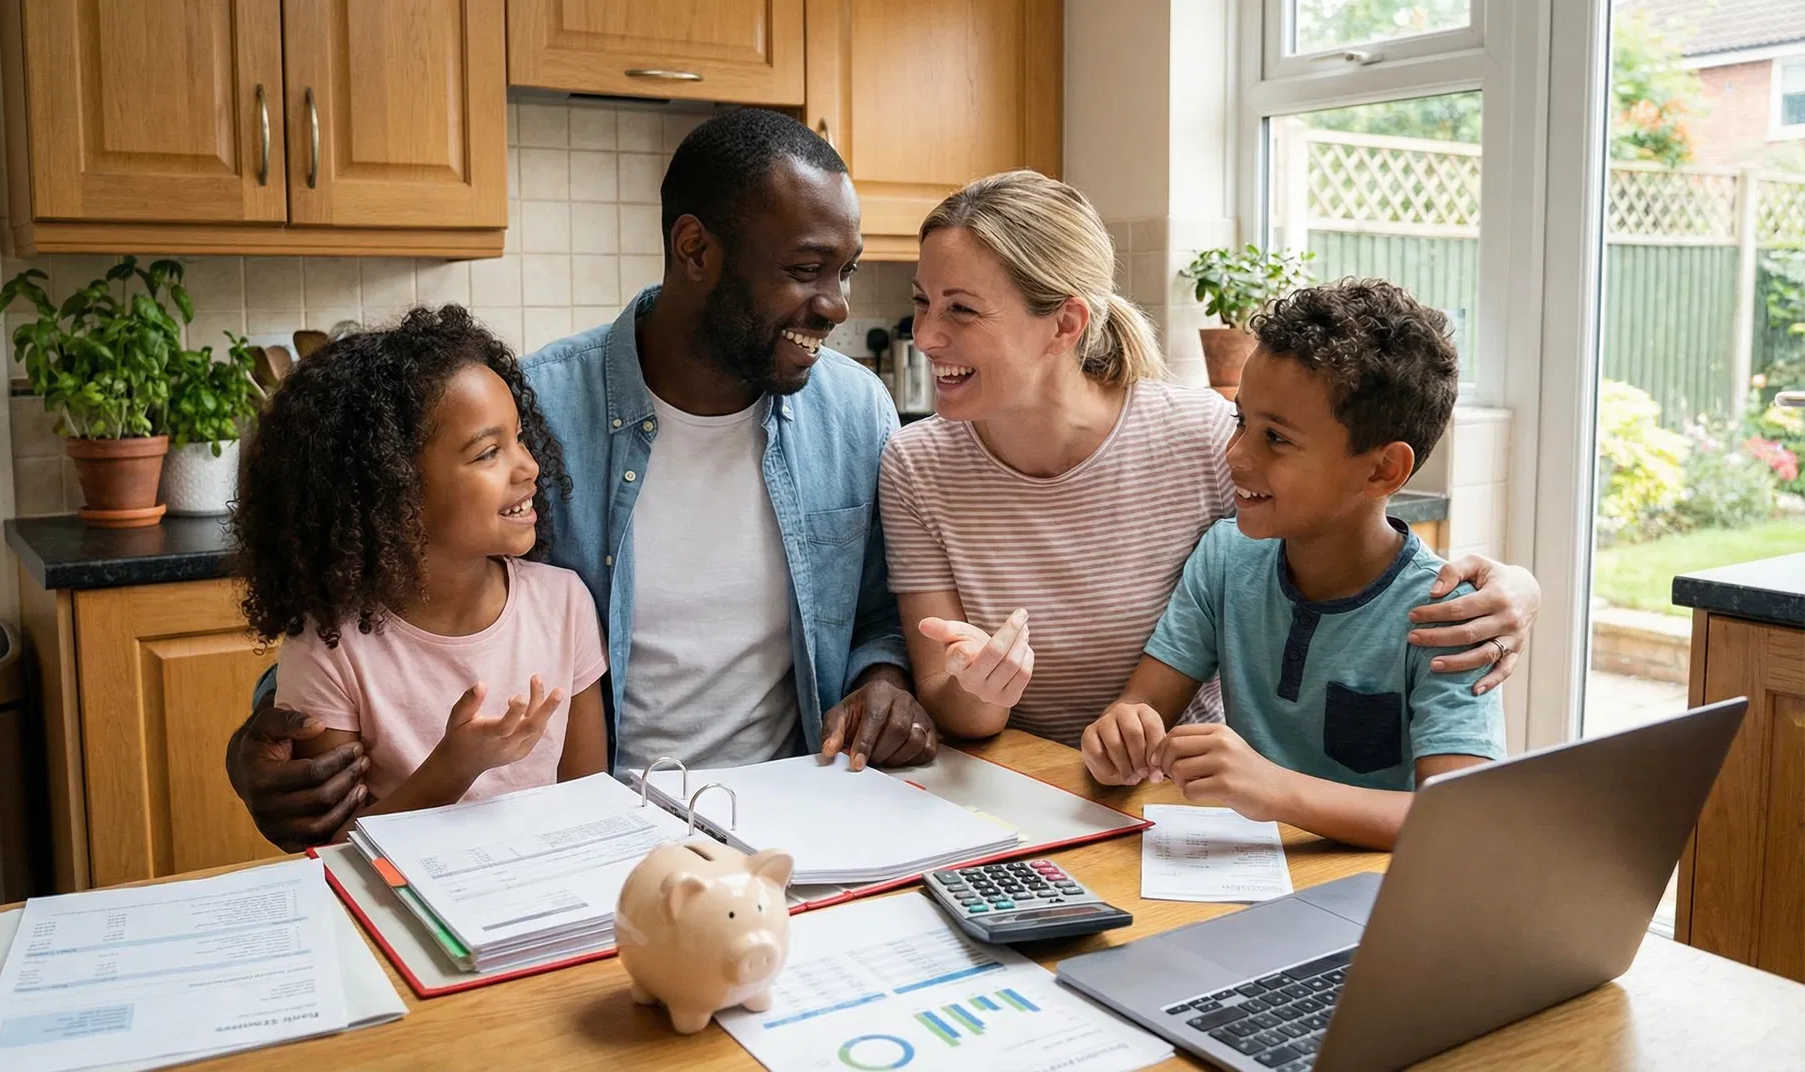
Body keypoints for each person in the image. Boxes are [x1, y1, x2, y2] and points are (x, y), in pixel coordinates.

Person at [226, 109, 933, 851]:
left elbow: (878, 614)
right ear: (695, 249)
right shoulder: (537, 409)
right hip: (589, 834)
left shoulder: (855, 413)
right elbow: (401, 594)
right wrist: (263, 749)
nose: (839, 306)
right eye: (805, 270)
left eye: (845, 271)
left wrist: (883, 677)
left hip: (791, 823)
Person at [881, 170, 1540, 749]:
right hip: (1022, 793)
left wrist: (1519, 588)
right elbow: (954, 708)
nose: (928, 336)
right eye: (921, 302)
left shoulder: (1204, 438)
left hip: (1179, 804)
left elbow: (1341, 531)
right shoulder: (915, 466)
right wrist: (984, 690)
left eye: (961, 309)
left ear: (1065, 324)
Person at [1080, 279, 1505, 850]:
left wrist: (1277, 791)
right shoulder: (1226, 557)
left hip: (1374, 907)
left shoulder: (1452, 618)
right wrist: (1119, 738)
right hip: (1247, 887)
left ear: (1382, 471)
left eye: (1276, 438)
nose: (1236, 455)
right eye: (1241, 423)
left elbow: (1462, 820)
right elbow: (1140, 706)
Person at [229, 307, 608, 829]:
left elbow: (590, 807)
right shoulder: (330, 649)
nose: (530, 467)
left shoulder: (564, 604)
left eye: (520, 438)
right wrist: (454, 767)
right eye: (488, 453)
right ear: (393, 489)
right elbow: (339, 851)